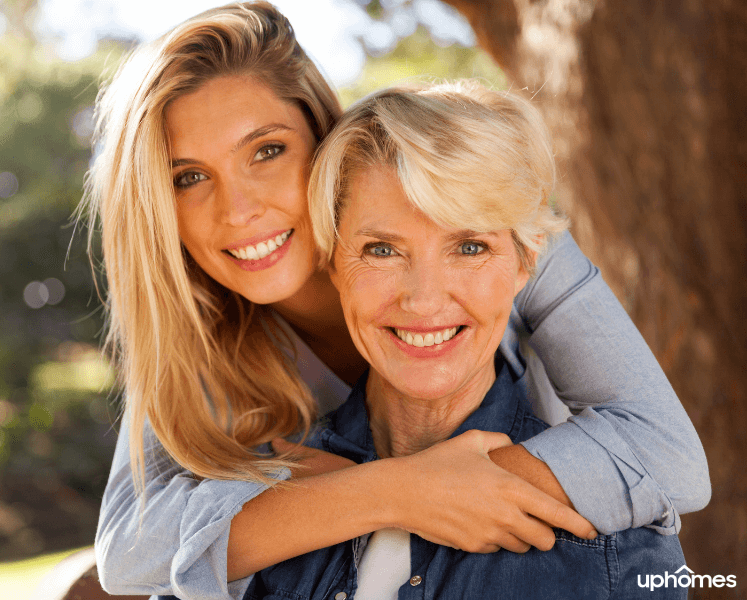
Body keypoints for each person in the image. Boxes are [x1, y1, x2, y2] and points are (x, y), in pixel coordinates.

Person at [78, 2, 709, 597]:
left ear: (320, 141)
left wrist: (362, 489)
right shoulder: (195, 324)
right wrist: (395, 492)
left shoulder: (486, 215)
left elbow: (668, 456)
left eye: (266, 151)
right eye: (189, 177)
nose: (239, 209)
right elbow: (131, 548)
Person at [242, 81, 686, 600]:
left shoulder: (618, 532)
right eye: (382, 249)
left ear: (526, 262)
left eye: (470, 246)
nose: (425, 301)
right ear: (332, 264)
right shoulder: (250, 502)